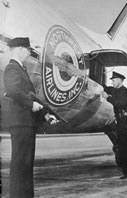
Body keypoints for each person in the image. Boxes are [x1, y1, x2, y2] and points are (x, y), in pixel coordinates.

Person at [1, 37, 57, 198]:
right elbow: (13, 90)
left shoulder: (20, 68)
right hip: (21, 123)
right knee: (21, 164)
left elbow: (30, 95)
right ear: (20, 50)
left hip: (25, 123)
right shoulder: (13, 68)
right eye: (27, 50)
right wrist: (31, 105)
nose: (28, 54)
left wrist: (46, 114)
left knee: (25, 164)